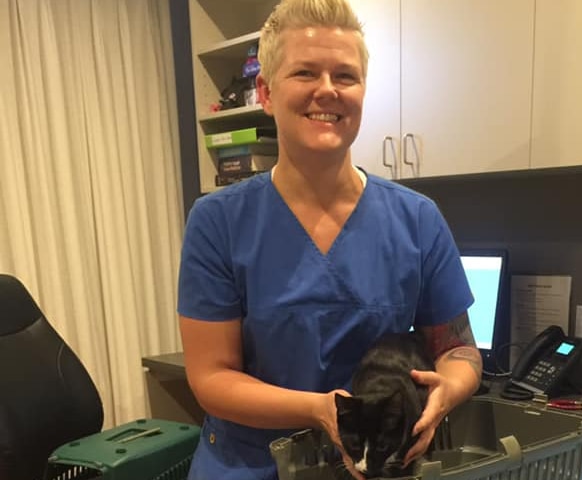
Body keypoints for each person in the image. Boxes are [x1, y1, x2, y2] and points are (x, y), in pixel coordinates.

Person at [176, 0, 482, 479]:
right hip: (250, 465)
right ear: (266, 91)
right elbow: (211, 378)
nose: (327, 90)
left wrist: (448, 390)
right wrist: (319, 409)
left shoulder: (416, 219)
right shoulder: (218, 222)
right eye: (305, 73)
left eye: (345, 76)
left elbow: (458, 351)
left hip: (376, 465)